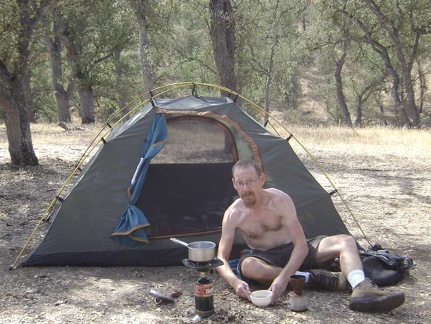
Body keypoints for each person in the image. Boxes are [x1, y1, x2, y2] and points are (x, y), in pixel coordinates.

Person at [216, 158, 405, 312]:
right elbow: (221, 258)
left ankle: (360, 288)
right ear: (234, 183)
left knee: (345, 241)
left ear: (262, 179)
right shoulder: (233, 214)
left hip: (295, 248)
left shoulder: (279, 200)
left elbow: (301, 246)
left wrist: (283, 279)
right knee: (248, 266)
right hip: (265, 257)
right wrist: (235, 282)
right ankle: (326, 279)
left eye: (250, 181)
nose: (245, 188)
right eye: (240, 183)